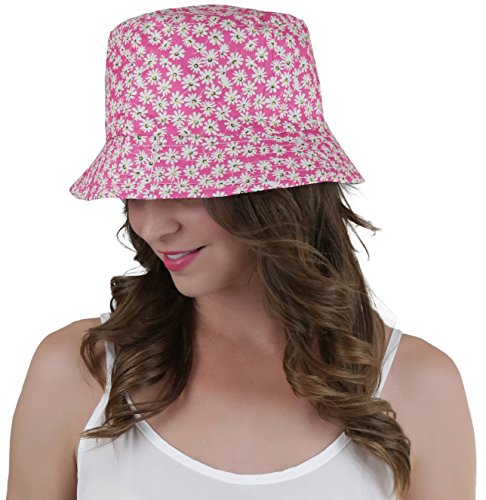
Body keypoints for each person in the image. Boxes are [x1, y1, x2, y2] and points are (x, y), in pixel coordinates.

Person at [6, 4, 476, 500]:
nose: (152, 226)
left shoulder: (420, 388)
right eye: (136, 189)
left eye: (186, 185)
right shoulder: (80, 372)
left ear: (279, 192)